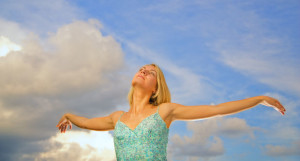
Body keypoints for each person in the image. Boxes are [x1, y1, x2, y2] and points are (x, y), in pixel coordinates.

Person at [56, 64, 286, 160]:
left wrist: (258, 99)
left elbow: (215, 109)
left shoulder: (165, 111)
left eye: (150, 72)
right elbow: (85, 122)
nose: (143, 71)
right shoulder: (117, 118)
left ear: (156, 87)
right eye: (141, 69)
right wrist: (68, 115)